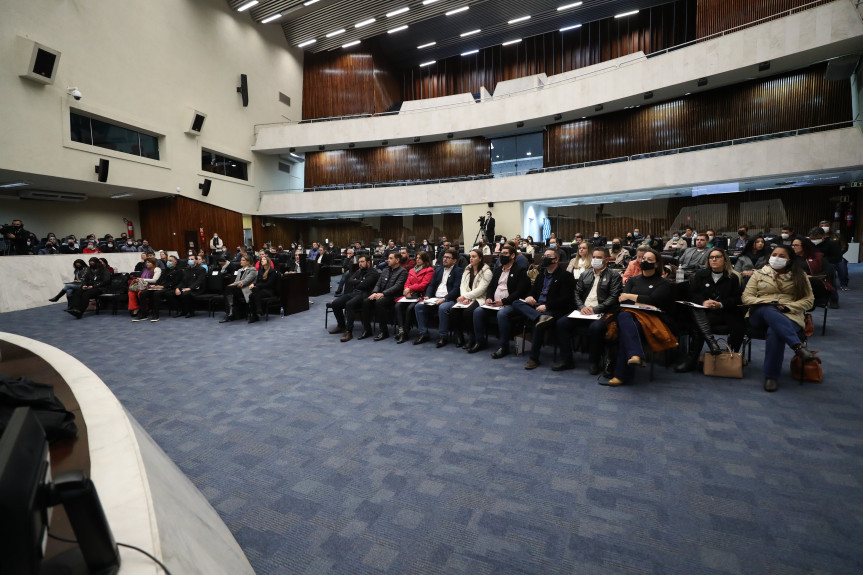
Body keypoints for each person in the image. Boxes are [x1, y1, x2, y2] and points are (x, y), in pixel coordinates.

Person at [741, 244, 816, 392]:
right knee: (769, 307)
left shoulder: (799, 275)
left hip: (789, 315)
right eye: (774, 254)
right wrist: (763, 302)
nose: (777, 258)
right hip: (759, 314)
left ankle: (771, 376)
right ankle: (798, 346)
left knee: (775, 332)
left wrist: (790, 307)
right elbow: (746, 297)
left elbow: (809, 300)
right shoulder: (759, 274)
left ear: (789, 260)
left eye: (782, 256)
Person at [602, 249, 676, 386]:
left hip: (651, 318)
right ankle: (635, 355)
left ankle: (622, 373)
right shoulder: (633, 280)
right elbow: (622, 299)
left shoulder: (663, 283)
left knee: (627, 329)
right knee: (625, 317)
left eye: (649, 260)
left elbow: (653, 300)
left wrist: (631, 296)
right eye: (643, 259)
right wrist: (639, 299)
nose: (644, 261)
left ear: (656, 264)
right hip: (630, 313)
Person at [674, 249, 746, 372]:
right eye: (711, 257)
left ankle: (692, 360)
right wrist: (703, 302)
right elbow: (693, 293)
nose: (714, 259)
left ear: (725, 260)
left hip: (725, 313)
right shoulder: (701, 275)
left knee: (698, 324)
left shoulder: (733, 277)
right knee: (698, 315)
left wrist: (721, 304)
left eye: (717, 257)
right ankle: (711, 344)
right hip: (705, 311)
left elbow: (737, 299)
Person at [554, 247, 623, 374]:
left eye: (599, 258)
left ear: (607, 260)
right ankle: (566, 360)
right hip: (583, 311)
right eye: (594, 257)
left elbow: (613, 297)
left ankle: (594, 362)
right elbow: (576, 293)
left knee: (596, 328)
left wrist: (595, 309)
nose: (595, 260)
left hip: (602, 312)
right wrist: (582, 307)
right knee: (561, 323)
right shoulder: (585, 274)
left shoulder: (614, 275)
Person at [509, 247, 575, 369]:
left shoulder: (565, 276)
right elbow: (532, 292)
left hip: (553, 309)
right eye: (544, 256)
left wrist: (547, 306)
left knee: (538, 325)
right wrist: (529, 297)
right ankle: (539, 317)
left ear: (556, 259)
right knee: (516, 303)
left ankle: (533, 358)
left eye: (548, 256)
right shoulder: (541, 276)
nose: (544, 258)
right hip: (538, 309)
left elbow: (566, 298)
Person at [469, 245, 530, 357]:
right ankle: (480, 342)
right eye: (501, 253)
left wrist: (504, 301)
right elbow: (491, 287)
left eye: (505, 253)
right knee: (477, 311)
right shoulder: (497, 270)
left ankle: (503, 347)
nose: (502, 255)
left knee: (502, 314)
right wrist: (489, 297)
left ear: (512, 255)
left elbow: (519, 292)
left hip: (511, 304)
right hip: (494, 303)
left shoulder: (520, 271)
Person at [436, 249, 491, 350]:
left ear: (480, 259)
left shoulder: (486, 271)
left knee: (468, 312)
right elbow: (462, 286)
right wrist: (464, 297)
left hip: (479, 298)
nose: (471, 258)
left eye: (474, 256)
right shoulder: (467, 269)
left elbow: (481, 289)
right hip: (467, 297)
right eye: (470, 256)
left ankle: (473, 338)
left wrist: (466, 297)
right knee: (453, 310)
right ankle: (459, 336)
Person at [414, 249, 464, 347]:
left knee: (442, 308)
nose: (444, 259)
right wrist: (427, 295)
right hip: (435, 298)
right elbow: (431, 285)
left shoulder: (458, 271)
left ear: (454, 260)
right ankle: (423, 333)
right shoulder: (438, 270)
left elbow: (456, 289)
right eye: (444, 257)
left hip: (449, 299)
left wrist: (445, 299)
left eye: (448, 258)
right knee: (418, 306)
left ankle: (443, 336)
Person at [331, 254, 380, 342]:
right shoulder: (359, 271)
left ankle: (348, 331)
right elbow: (349, 280)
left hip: (365, 295)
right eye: (359, 262)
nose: (360, 264)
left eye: (362, 262)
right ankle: (341, 326)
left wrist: (357, 282)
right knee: (335, 303)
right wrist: (359, 281)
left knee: (349, 304)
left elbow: (363, 285)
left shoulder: (373, 273)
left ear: (368, 263)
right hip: (354, 293)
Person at [360, 252, 408, 341]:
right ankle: (367, 329)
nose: (388, 260)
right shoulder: (386, 270)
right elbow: (378, 283)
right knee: (366, 301)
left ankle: (384, 331)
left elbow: (397, 286)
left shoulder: (403, 271)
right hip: (381, 294)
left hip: (393, 296)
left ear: (397, 260)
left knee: (379, 302)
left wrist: (383, 294)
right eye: (388, 258)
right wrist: (374, 292)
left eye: (390, 258)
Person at [392, 251, 434, 343]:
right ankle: (401, 330)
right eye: (416, 257)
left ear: (425, 259)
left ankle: (405, 332)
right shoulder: (411, 270)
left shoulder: (429, 270)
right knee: (398, 306)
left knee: (410, 308)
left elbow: (424, 284)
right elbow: (407, 283)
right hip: (410, 295)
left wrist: (410, 289)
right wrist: (407, 290)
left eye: (420, 258)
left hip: (421, 295)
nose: (417, 259)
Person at [137, 255, 184, 322]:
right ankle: (143, 314)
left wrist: (163, 287)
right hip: (160, 286)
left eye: (170, 261)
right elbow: (160, 279)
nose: (168, 262)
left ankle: (155, 315)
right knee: (143, 293)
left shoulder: (179, 271)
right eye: (168, 261)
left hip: (169, 287)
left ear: (175, 262)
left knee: (157, 293)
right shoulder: (165, 270)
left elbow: (175, 282)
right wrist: (155, 285)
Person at [791, 236, 835, 308]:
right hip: (795, 282)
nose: (793, 247)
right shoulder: (791, 257)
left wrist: (811, 277)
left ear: (805, 246)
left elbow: (828, 272)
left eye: (796, 245)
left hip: (814, 282)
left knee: (809, 281)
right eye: (792, 245)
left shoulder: (818, 257)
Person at [220, 254, 257, 323]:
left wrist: (235, 284)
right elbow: (237, 281)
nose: (241, 261)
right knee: (228, 289)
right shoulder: (240, 270)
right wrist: (236, 284)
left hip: (247, 289)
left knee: (229, 288)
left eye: (243, 260)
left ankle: (230, 313)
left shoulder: (253, 269)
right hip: (239, 288)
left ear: (248, 262)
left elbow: (246, 281)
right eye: (241, 260)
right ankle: (230, 312)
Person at [247, 253, 279, 323]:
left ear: (268, 261)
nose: (262, 260)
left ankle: (258, 311)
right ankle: (256, 314)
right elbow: (258, 282)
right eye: (261, 260)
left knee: (254, 292)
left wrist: (257, 285)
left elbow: (269, 284)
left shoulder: (272, 271)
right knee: (251, 295)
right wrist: (253, 284)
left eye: (264, 259)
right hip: (260, 290)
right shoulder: (260, 271)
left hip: (269, 291)